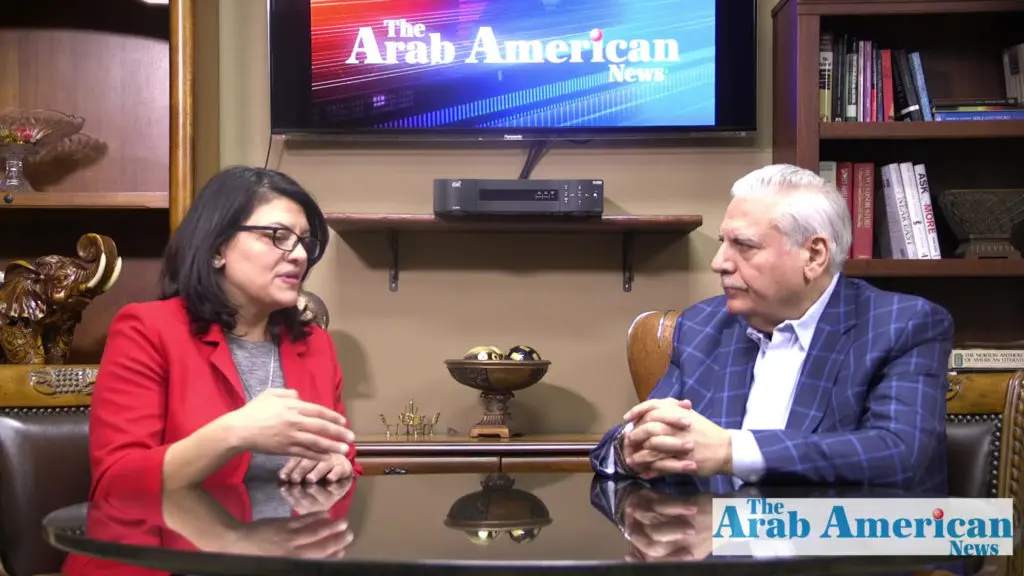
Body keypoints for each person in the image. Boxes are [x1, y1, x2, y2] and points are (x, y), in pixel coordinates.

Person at [590, 163, 954, 494]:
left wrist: (732, 452)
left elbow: (898, 453)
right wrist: (630, 449)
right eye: (723, 243)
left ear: (814, 255)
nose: (719, 263)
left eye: (743, 246)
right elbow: (624, 441)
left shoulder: (901, 325)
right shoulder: (702, 326)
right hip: (716, 554)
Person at [84, 166, 361, 501]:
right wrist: (236, 432)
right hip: (170, 549)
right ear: (217, 248)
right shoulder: (146, 330)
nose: (300, 255)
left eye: (305, 241)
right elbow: (115, 484)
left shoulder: (316, 343)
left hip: (289, 548)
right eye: (278, 236)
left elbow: (343, 459)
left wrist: (338, 467)